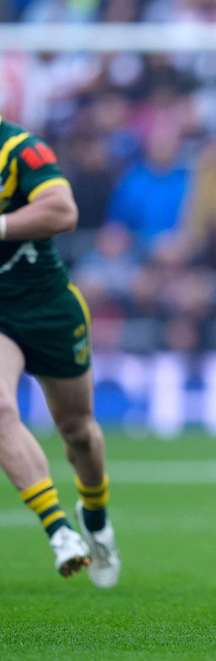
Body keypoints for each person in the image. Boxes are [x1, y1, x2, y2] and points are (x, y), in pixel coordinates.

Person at [0, 115, 121, 588]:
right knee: (1, 408)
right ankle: (59, 531)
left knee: (77, 431)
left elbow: (62, 211)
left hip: (48, 307)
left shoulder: (21, 150)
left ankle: (94, 518)